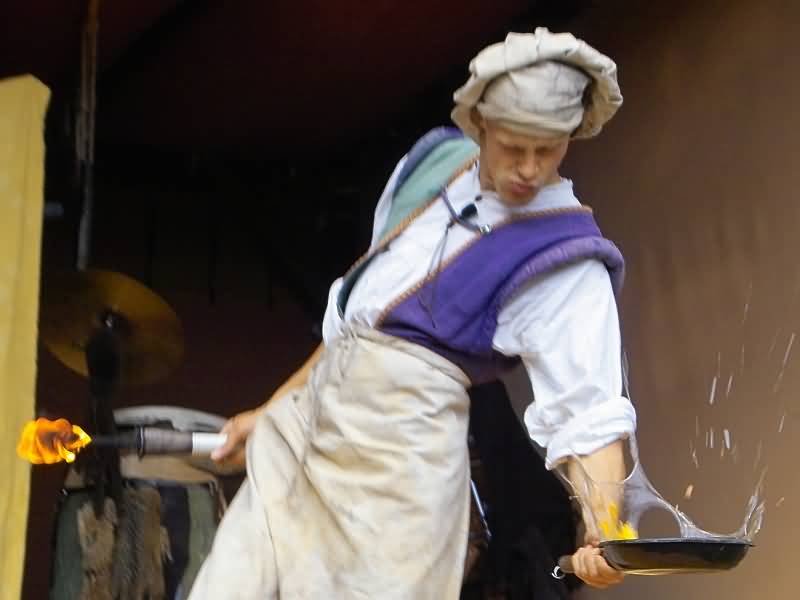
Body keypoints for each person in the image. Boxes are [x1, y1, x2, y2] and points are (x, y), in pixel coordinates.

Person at [189, 27, 637, 599]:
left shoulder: (564, 256)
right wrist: (271, 408)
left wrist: (604, 530)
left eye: (547, 149)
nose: (529, 168)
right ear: (480, 124)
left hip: (399, 476)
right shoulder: (432, 164)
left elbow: (588, 415)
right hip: (302, 437)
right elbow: (359, 319)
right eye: (513, 147)